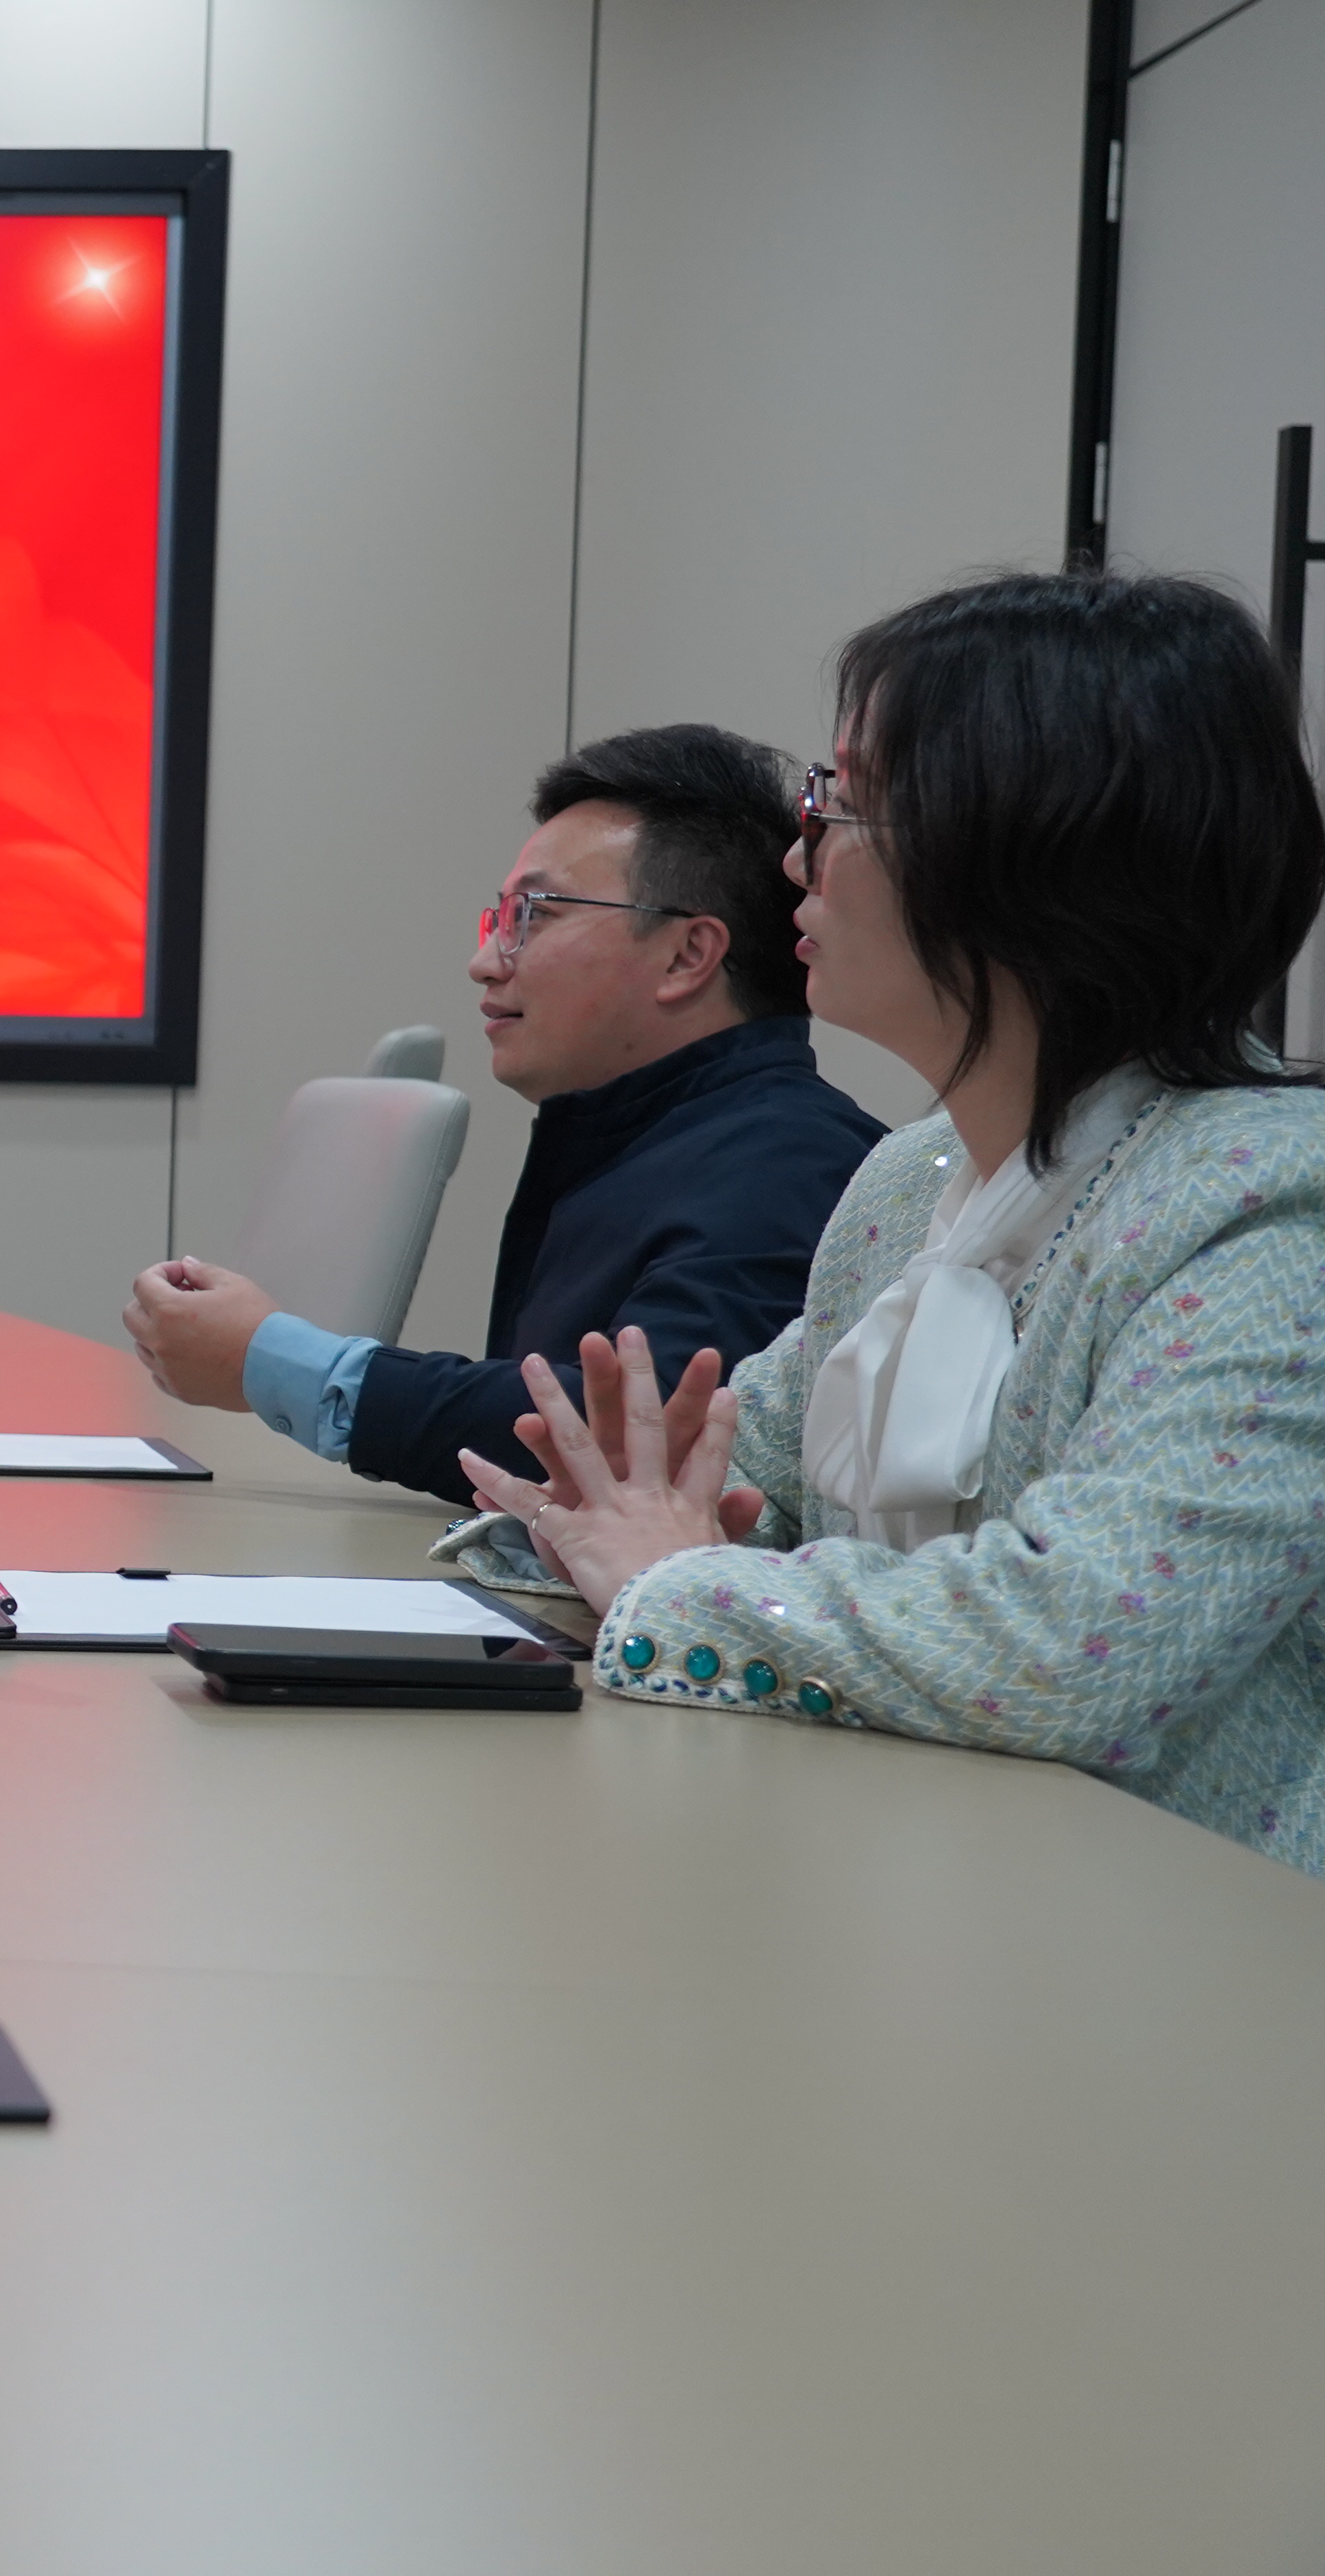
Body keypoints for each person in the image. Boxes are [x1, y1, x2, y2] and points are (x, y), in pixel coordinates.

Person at [460, 569, 1325, 1874]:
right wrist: (588, 1528)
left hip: (1175, 1933)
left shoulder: (1273, 1205)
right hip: (902, 1880)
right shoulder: (909, 1180)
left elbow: (1077, 1645)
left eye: (839, 805)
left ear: (1026, 850)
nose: (795, 857)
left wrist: (676, 1581)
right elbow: (746, 1495)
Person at [124, 725, 884, 1505]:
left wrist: (273, 1361)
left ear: (687, 955)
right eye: (498, 921)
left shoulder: (792, 1163)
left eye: (534, 916)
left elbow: (628, 1443)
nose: (486, 962)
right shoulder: (635, 1134)